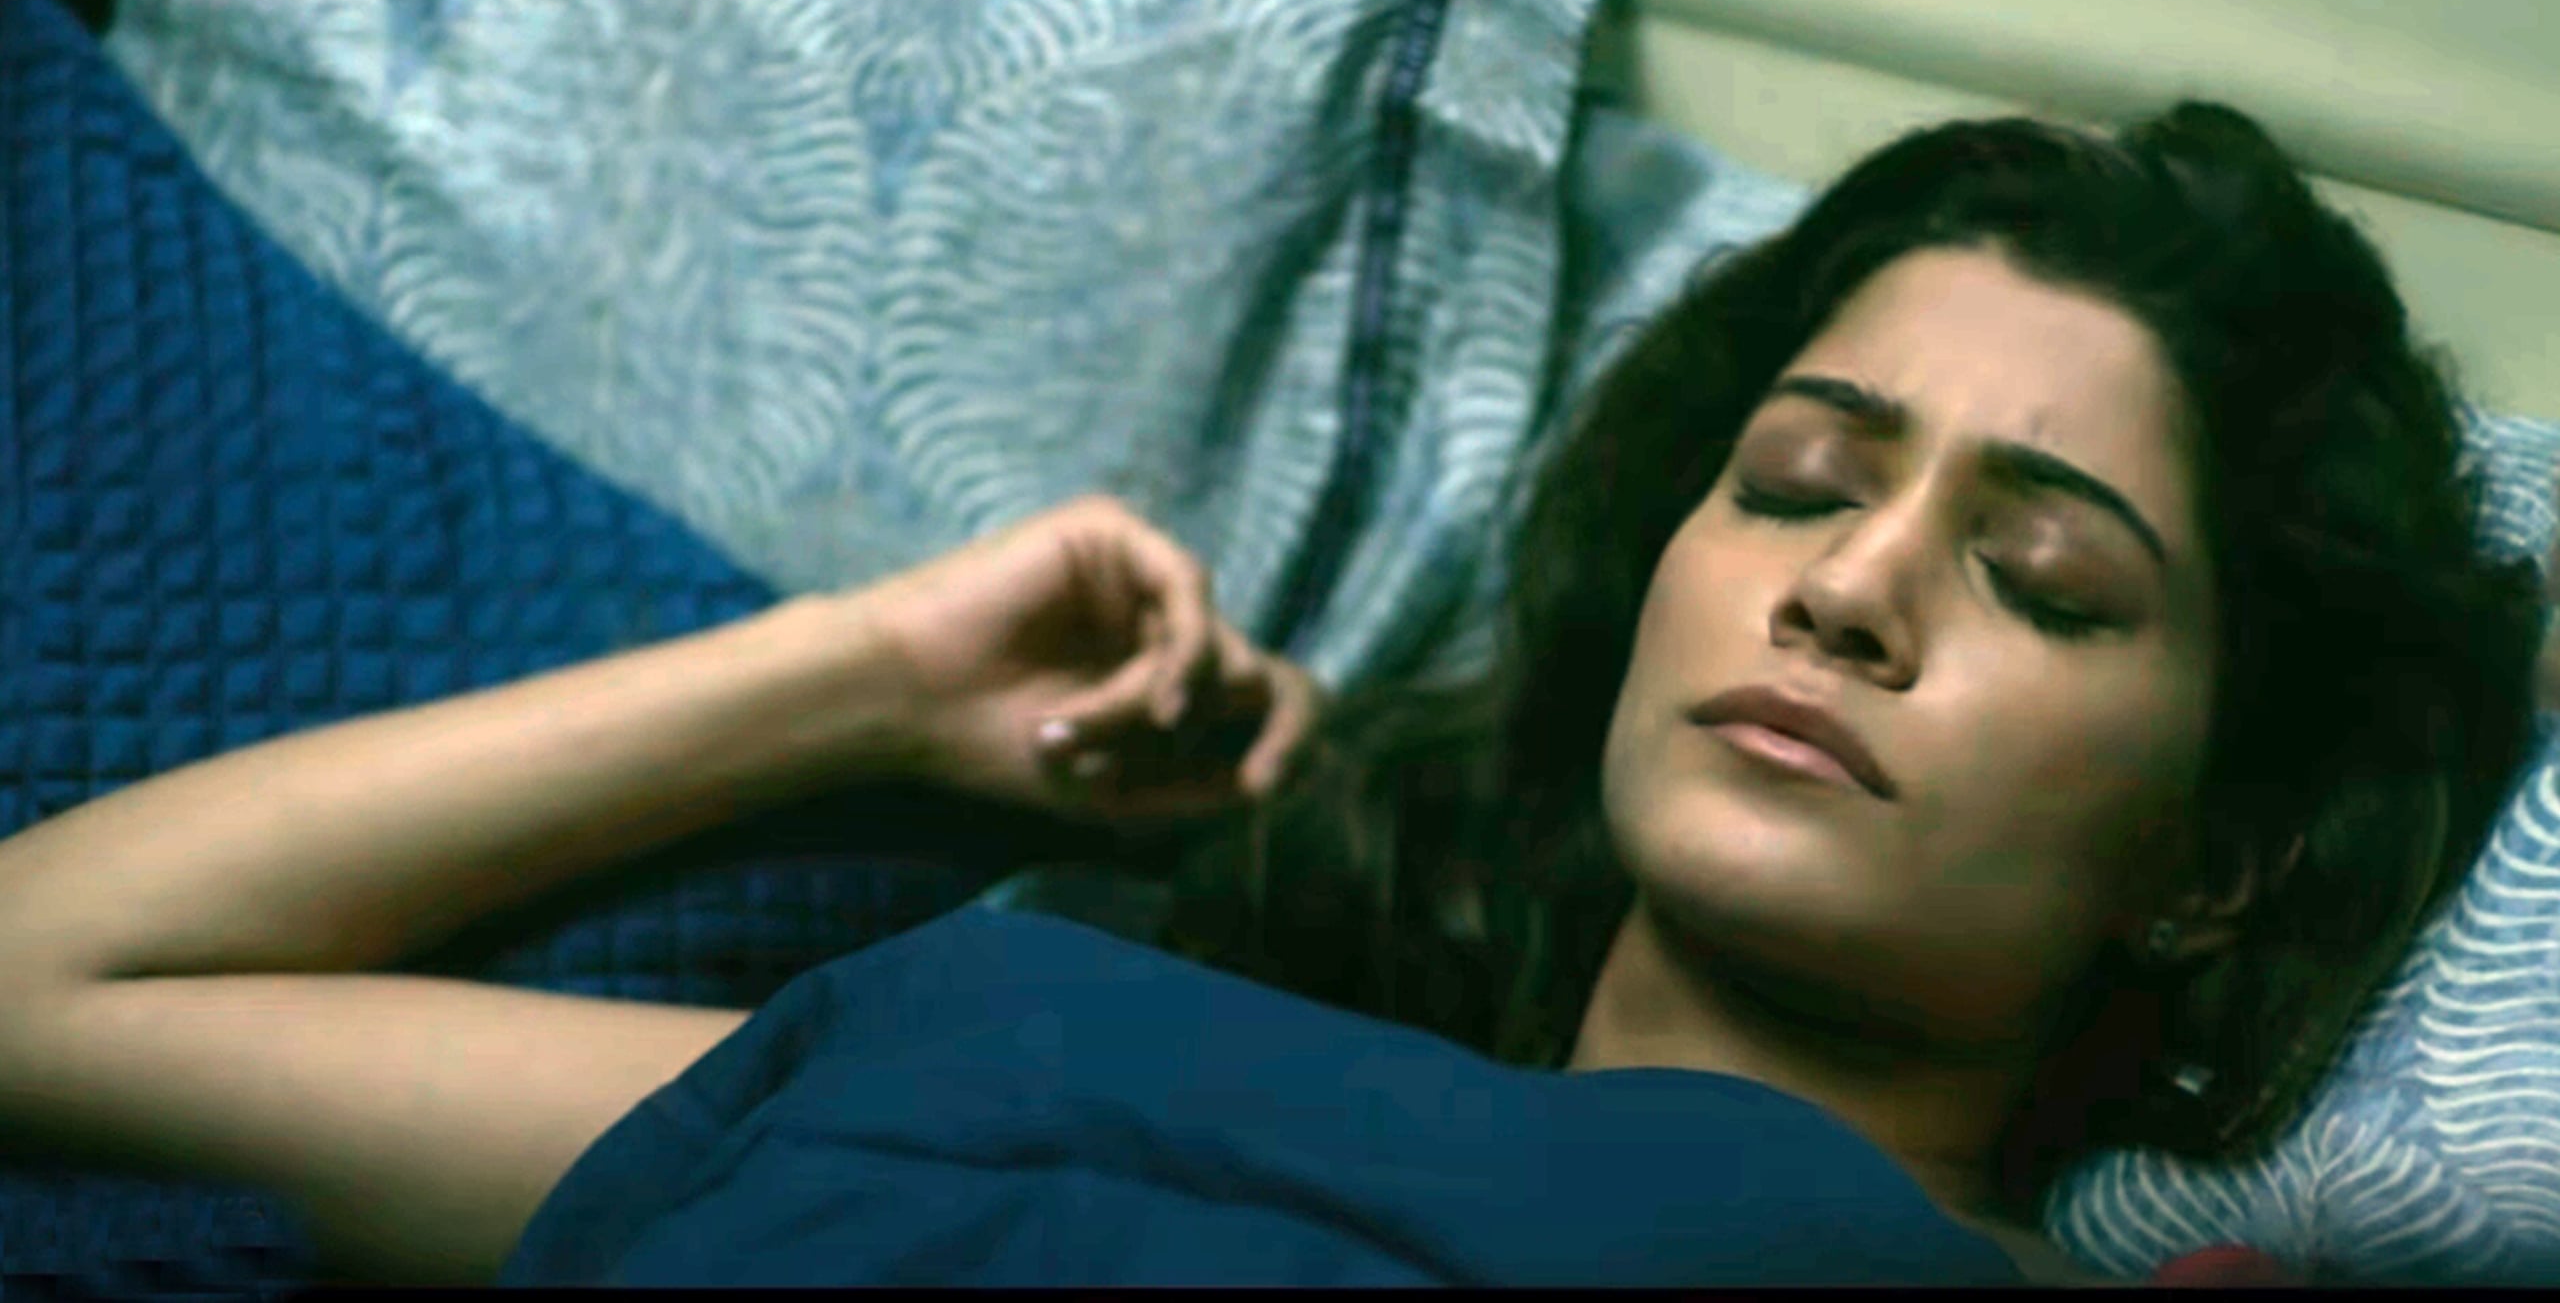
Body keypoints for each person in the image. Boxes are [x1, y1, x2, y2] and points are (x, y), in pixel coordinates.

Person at [0, 100, 2539, 1287]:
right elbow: (51, 981)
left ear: (2208, 858)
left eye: (2038, 579)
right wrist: (855, 681)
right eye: (1791, 480)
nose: (1850, 587)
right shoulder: (1030, 1026)